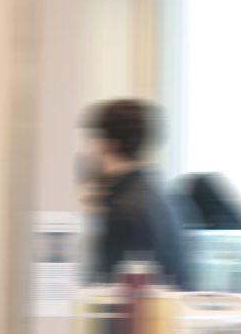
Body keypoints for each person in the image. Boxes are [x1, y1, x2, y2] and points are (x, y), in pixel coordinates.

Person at [81, 99, 192, 289]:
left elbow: (107, 294)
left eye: (92, 140)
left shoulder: (124, 210)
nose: (88, 150)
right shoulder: (165, 196)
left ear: (108, 144)